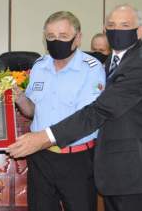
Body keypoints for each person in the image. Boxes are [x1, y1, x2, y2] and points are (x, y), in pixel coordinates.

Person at [8, 4, 142, 211]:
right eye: (111, 25)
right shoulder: (113, 61)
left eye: (125, 25)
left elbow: (97, 112)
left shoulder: (137, 64)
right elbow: (36, 110)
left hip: (129, 168)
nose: (117, 30)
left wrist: (42, 138)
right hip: (55, 161)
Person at [12, 11, 105, 211]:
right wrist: (20, 98)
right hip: (41, 157)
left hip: (76, 159)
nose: (56, 41)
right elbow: (32, 111)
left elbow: (85, 119)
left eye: (63, 36)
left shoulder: (91, 69)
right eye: (51, 37)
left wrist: (41, 138)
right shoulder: (39, 66)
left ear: (77, 38)